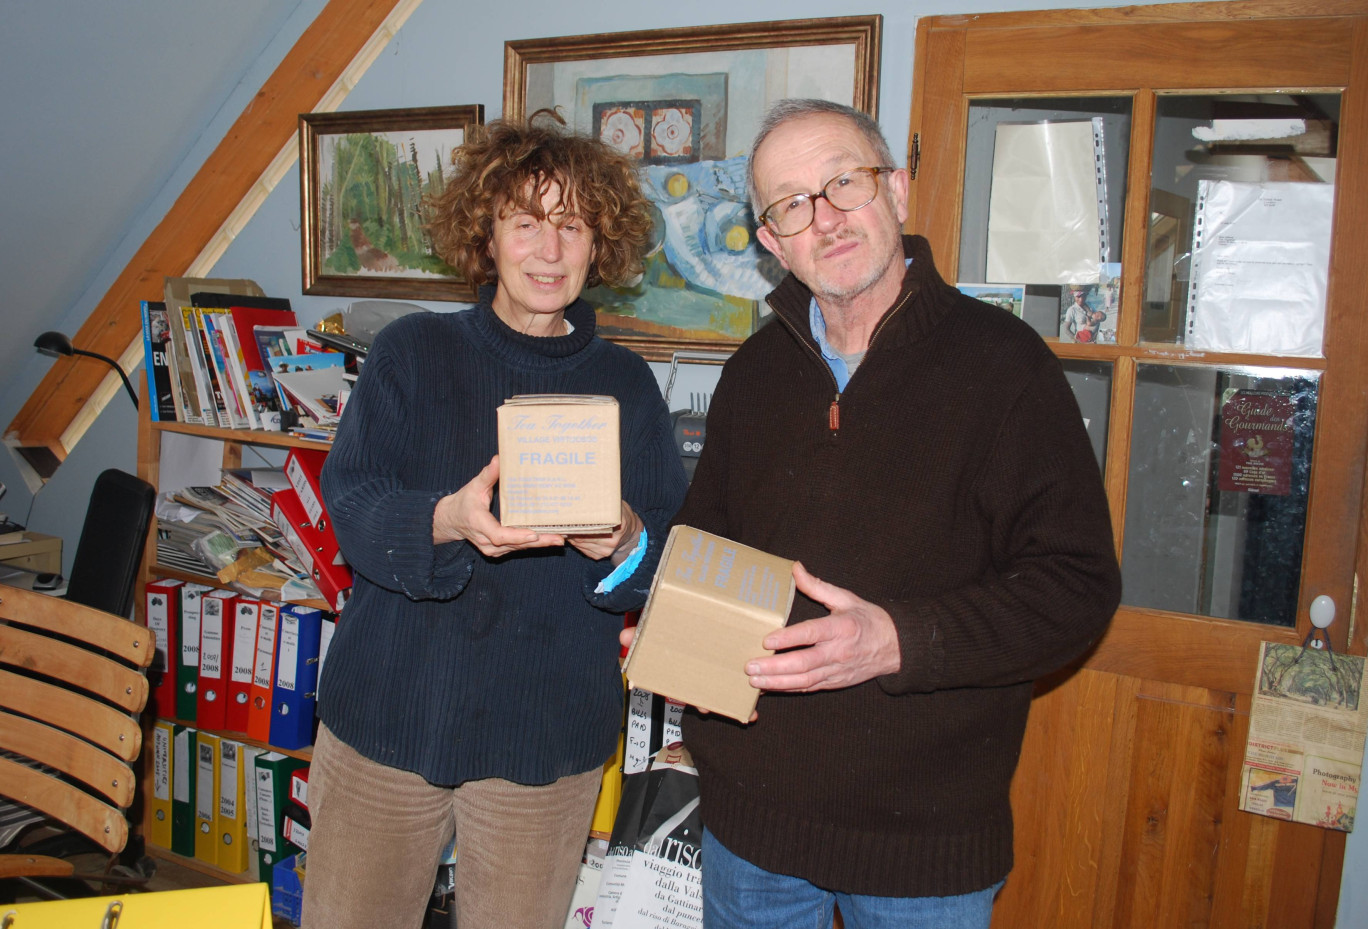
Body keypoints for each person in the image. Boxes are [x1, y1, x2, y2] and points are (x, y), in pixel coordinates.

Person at [646, 99, 1122, 928]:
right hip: (749, 832)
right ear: (770, 242)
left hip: (923, 853)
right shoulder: (754, 374)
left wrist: (897, 639)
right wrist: (675, 629)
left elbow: (1076, 587)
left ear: (896, 191)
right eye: (791, 204)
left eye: (844, 183)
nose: (824, 218)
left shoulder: (1006, 368)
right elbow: (707, 546)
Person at [305, 116, 688, 929]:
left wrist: (621, 542)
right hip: (387, 716)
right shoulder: (411, 351)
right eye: (526, 223)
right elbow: (353, 505)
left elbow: (665, 558)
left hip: (543, 745)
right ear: (486, 235)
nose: (549, 252)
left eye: (572, 227)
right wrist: (445, 519)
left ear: (599, 246)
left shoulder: (627, 385)